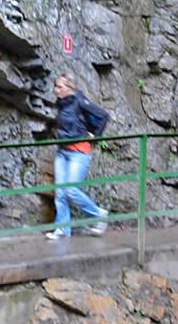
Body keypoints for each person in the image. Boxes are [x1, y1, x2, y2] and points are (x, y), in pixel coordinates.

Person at [47, 74, 110, 240]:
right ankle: (62, 230)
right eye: (55, 86)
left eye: (59, 87)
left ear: (69, 88)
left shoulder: (79, 101)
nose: (56, 90)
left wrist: (95, 136)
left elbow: (103, 115)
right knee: (60, 192)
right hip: (63, 151)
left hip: (79, 151)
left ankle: (98, 214)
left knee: (71, 190)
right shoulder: (61, 103)